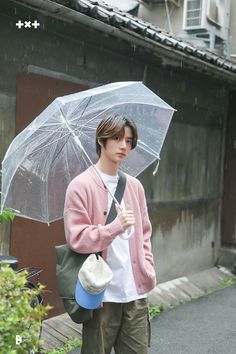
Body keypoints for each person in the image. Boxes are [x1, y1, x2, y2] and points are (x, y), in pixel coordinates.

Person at [64, 114, 156, 354]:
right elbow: (77, 238)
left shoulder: (134, 187)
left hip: (135, 294)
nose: (124, 145)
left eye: (129, 140)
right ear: (101, 140)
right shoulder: (80, 186)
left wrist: (147, 265)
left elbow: (145, 233)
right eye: (116, 138)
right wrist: (115, 227)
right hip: (101, 295)